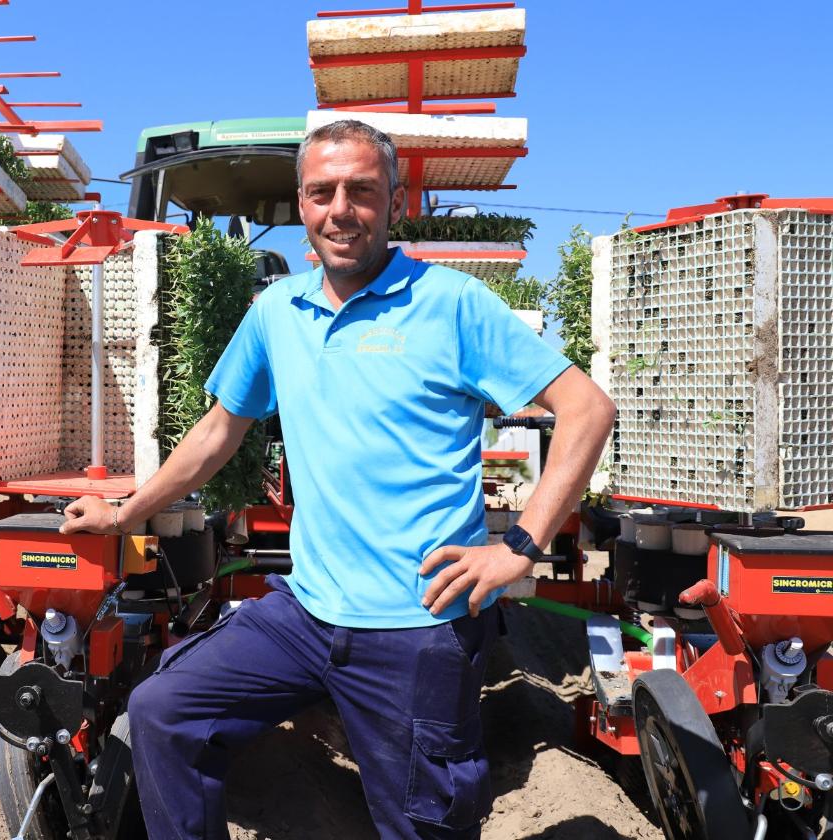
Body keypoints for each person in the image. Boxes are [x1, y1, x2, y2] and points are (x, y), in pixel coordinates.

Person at [60, 119, 615, 839]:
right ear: (302, 204)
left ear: (394, 201)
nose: (340, 210)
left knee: (422, 824)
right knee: (166, 710)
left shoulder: (450, 303)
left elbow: (586, 408)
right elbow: (218, 430)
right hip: (307, 614)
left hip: (418, 629)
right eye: (322, 193)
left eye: (361, 190)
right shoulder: (276, 312)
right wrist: (125, 512)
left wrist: (522, 547)